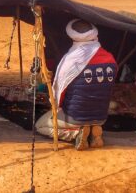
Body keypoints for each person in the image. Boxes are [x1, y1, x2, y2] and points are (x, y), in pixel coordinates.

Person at [36, 19, 117, 150]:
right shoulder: (110, 58)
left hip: (76, 116)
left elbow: (59, 95)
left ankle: (76, 133)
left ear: (72, 36)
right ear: (94, 35)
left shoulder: (69, 61)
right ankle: (94, 132)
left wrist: (56, 105)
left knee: (40, 125)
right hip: (101, 116)